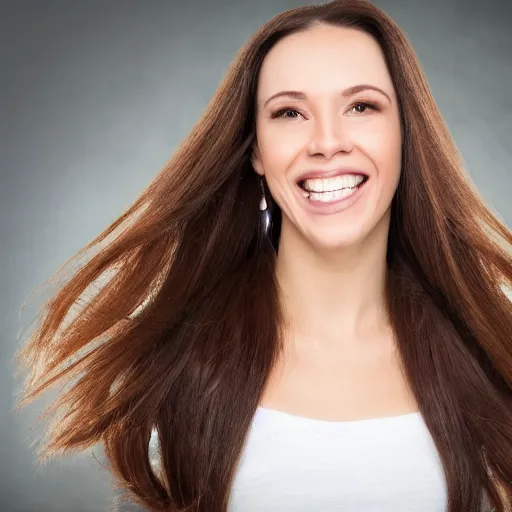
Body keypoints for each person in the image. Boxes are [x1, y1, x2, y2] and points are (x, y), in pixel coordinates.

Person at [14, 0, 512, 511]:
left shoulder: (495, 354)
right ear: (256, 150)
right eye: (289, 113)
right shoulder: (176, 372)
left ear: (406, 134)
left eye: (361, 106)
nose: (327, 142)